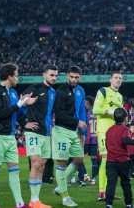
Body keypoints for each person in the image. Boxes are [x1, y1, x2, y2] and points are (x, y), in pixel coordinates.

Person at [0, 63, 38, 208]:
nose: (17, 78)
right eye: (16, 75)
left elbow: (17, 113)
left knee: (14, 169)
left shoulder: (14, 93)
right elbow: (0, 113)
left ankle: (19, 203)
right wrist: (20, 104)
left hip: (10, 137)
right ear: (9, 76)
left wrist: (24, 105)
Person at [51, 66, 88, 207]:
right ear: (67, 76)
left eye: (76, 77)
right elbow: (59, 115)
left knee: (79, 161)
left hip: (74, 131)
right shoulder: (61, 91)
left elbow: (81, 112)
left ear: (80, 77)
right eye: (71, 77)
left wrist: (82, 132)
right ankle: (65, 197)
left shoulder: (81, 91)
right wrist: (77, 122)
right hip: (61, 130)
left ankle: (60, 187)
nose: (73, 79)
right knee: (61, 162)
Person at [22, 65, 58, 208]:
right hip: (33, 131)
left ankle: (35, 200)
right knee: (36, 163)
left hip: (46, 132)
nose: (54, 78)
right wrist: (25, 122)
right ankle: (33, 200)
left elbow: (49, 113)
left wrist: (51, 131)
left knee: (42, 165)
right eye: (51, 75)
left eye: (56, 75)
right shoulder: (34, 88)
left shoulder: (54, 93)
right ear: (44, 75)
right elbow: (20, 101)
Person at [93, 72, 125, 201]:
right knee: (106, 159)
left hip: (115, 132)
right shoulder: (103, 91)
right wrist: (113, 111)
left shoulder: (120, 96)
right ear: (111, 80)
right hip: (103, 130)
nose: (118, 80)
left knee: (114, 162)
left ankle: (109, 192)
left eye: (120, 78)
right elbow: (95, 110)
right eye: (116, 78)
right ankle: (102, 192)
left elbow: (120, 116)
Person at [104, 108, 134, 208]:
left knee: (111, 184)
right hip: (123, 161)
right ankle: (129, 204)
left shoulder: (109, 130)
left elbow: (107, 144)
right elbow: (126, 141)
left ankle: (108, 204)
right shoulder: (125, 129)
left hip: (110, 162)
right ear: (126, 119)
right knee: (126, 183)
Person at [82, 96, 99, 185]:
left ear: (89, 103)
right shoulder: (96, 112)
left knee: (79, 157)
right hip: (94, 139)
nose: (84, 104)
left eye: (86, 103)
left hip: (87, 139)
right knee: (93, 159)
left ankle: (86, 175)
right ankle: (92, 179)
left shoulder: (85, 112)